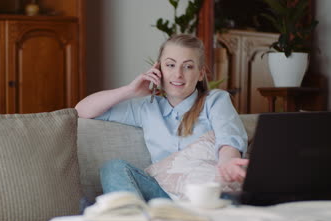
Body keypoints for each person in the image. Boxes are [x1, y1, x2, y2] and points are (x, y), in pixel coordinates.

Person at [75, 34, 248, 201]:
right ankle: (132, 219)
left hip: (202, 193)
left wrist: (228, 164)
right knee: (112, 168)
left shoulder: (215, 100)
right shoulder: (147, 108)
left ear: (201, 73)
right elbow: (82, 110)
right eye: (170, 65)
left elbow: (229, 139)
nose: (178, 74)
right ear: (158, 69)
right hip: (162, 196)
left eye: (188, 66)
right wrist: (130, 90)